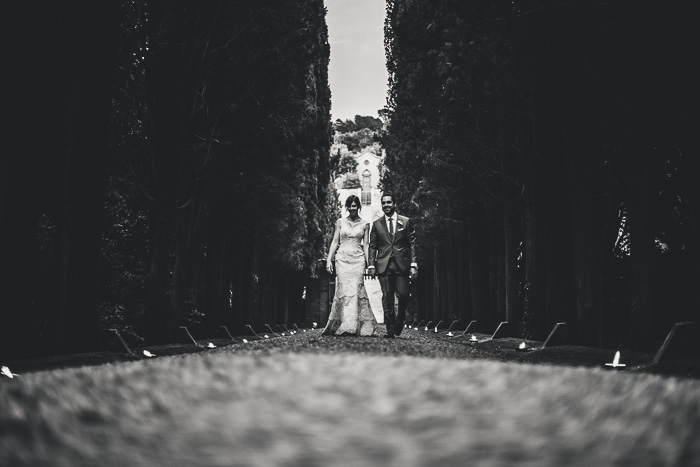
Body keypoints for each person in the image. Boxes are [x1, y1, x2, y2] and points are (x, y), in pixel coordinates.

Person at [322, 195, 378, 336]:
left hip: (358, 260)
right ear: (347, 207)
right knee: (344, 290)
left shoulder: (365, 224)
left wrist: (369, 263)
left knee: (356, 289)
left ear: (358, 207)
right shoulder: (340, 222)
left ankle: (356, 325)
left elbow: (366, 245)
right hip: (342, 259)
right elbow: (335, 241)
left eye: (355, 206)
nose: (352, 208)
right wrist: (329, 260)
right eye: (350, 206)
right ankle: (345, 324)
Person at [368, 193, 418, 338]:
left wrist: (413, 264)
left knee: (403, 295)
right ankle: (390, 330)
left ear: (394, 204)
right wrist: (371, 265)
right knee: (387, 296)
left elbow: (412, 244)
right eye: (383, 203)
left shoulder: (406, 221)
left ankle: (400, 317)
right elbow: (372, 246)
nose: (386, 205)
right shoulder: (377, 224)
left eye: (389, 202)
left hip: (401, 264)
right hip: (384, 265)